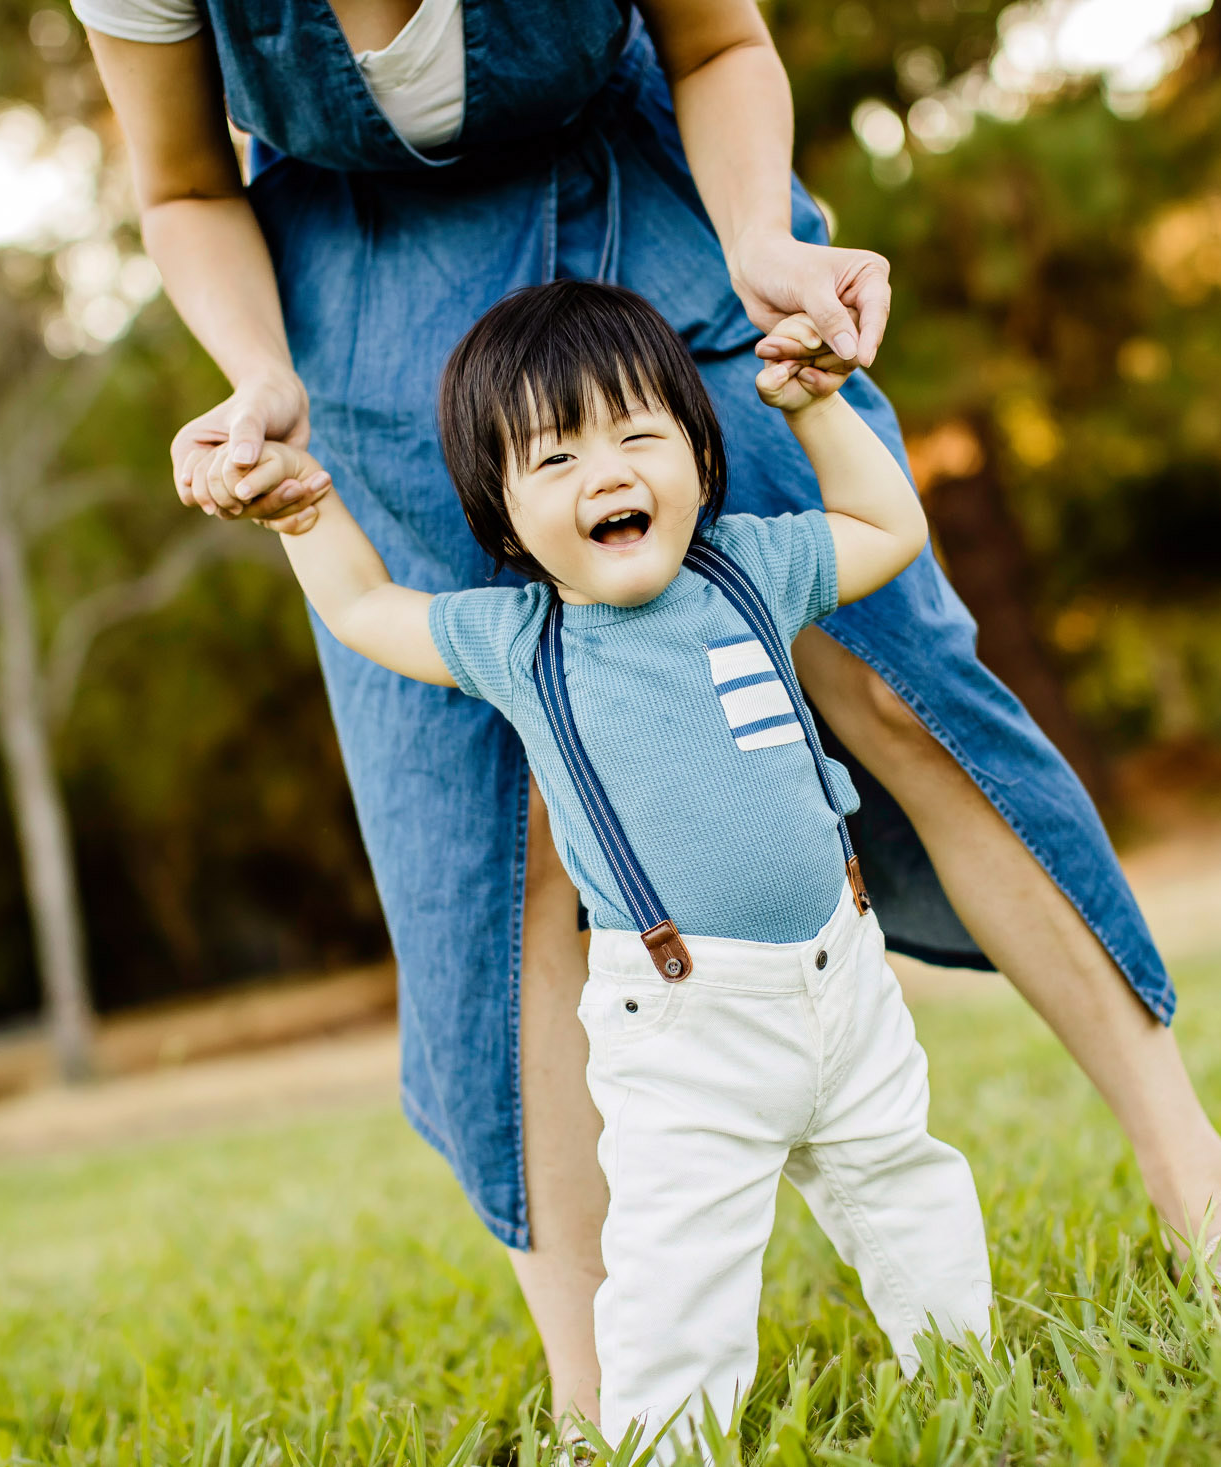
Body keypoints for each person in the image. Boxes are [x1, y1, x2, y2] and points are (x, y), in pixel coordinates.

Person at [78, 0, 1221, 1422]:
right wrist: (260, 376)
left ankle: (1201, 1177)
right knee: (476, 832)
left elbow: (720, 45)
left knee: (904, 682)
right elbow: (179, 182)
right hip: (360, 305)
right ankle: (607, 1396)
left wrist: (764, 242)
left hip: (665, 217)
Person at [249, 280, 996, 1450]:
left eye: (640, 434)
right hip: (683, 1029)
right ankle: (661, 1441)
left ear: (701, 459)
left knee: (905, 1180)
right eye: (554, 460)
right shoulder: (515, 641)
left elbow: (888, 528)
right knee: (677, 1269)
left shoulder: (755, 570)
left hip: (840, 979)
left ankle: (961, 1381)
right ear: (500, 513)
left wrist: (817, 409)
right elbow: (364, 607)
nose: (607, 473)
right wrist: (304, 515)